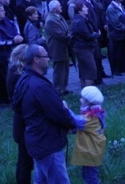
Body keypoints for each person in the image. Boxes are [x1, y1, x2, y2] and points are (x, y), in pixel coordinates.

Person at [11, 45, 76, 184]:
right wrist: (72, 123)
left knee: (41, 179)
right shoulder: (40, 86)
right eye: (46, 56)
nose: (49, 58)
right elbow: (58, 113)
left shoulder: (24, 79)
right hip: (48, 143)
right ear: (36, 59)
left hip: (37, 140)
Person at [6, 44, 33, 184]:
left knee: (24, 160)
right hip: (24, 123)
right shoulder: (19, 76)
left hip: (21, 121)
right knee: (24, 161)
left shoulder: (15, 71)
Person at [71, 86, 107, 184]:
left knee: (91, 176)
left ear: (89, 102)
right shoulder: (94, 114)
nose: (80, 100)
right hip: (91, 149)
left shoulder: (91, 117)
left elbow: (75, 120)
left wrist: (65, 109)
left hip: (91, 150)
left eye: (83, 98)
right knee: (87, 173)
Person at [45, 0, 71, 95]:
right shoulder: (50, 20)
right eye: (60, 6)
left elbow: (66, 29)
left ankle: (64, 87)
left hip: (64, 46)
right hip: (57, 47)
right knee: (59, 68)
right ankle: (57, 89)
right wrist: (71, 36)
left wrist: (69, 34)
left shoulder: (59, 17)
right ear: (55, 9)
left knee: (65, 67)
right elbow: (60, 35)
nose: (61, 7)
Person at [72, 2, 100, 88]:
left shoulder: (81, 19)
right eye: (84, 7)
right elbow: (87, 35)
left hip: (82, 47)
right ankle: (88, 91)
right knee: (91, 70)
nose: (87, 9)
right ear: (79, 11)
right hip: (84, 48)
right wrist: (97, 34)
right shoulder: (80, 21)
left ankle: (84, 90)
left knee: (83, 70)